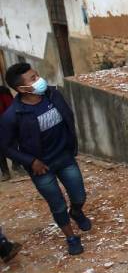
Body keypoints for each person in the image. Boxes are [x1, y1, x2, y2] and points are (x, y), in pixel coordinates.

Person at [0, 63, 91, 256]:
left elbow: (68, 117)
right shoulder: (12, 116)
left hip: (64, 157)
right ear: (21, 89)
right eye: (33, 79)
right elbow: (5, 146)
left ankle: (76, 212)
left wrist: (70, 143)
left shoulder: (52, 95)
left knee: (79, 195)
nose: (39, 80)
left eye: (37, 75)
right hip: (41, 168)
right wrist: (31, 161)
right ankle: (71, 237)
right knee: (57, 205)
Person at [0, 86, 13, 181]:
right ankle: (5, 171)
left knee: (13, 144)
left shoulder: (3, 91)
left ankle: (17, 165)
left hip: (6, 123)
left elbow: (10, 107)